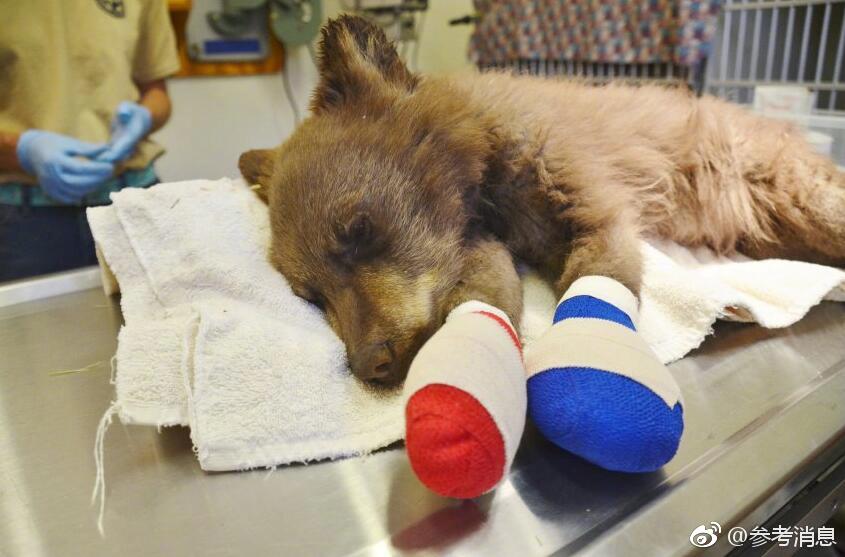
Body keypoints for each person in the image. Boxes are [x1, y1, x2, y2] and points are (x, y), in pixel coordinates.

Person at [0, 0, 180, 282]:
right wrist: (20, 150)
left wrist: (144, 117)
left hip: (132, 200)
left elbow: (156, 91)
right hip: (25, 220)